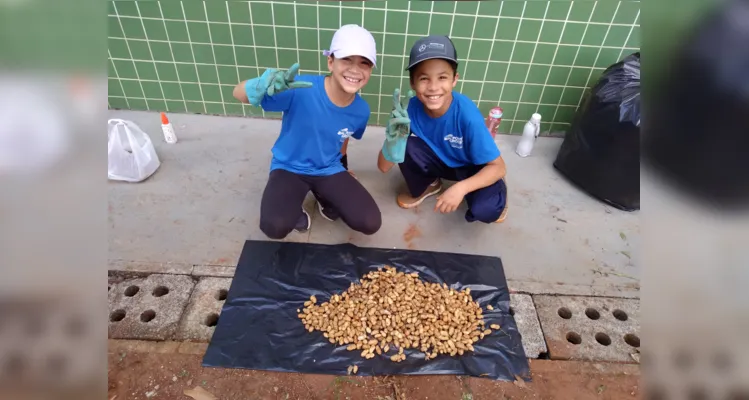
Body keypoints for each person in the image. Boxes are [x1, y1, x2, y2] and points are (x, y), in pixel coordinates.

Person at [232, 24, 382, 239]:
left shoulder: (361, 109)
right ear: (330, 61)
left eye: (364, 63)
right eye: (347, 59)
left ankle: (323, 194)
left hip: (327, 169)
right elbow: (238, 94)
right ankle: (293, 208)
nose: (355, 70)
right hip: (289, 168)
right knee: (274, 226)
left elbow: (343, 136)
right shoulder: (301, 89)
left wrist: (342, 166)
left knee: (370, 222)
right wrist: (258, 85)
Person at [377, 35, 509, 223]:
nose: (433, 87)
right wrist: (393, 142)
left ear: (454, 79)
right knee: (407, 143)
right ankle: (430, 184)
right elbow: (383, 167)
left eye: (442, 77)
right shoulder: (409, 110)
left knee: (486, 210)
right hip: (442, 162)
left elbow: (499, 167)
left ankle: (496, 190)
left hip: (472, 166)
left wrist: (461, 188)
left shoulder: (467, 116)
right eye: (424, 78)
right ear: (412, 83)